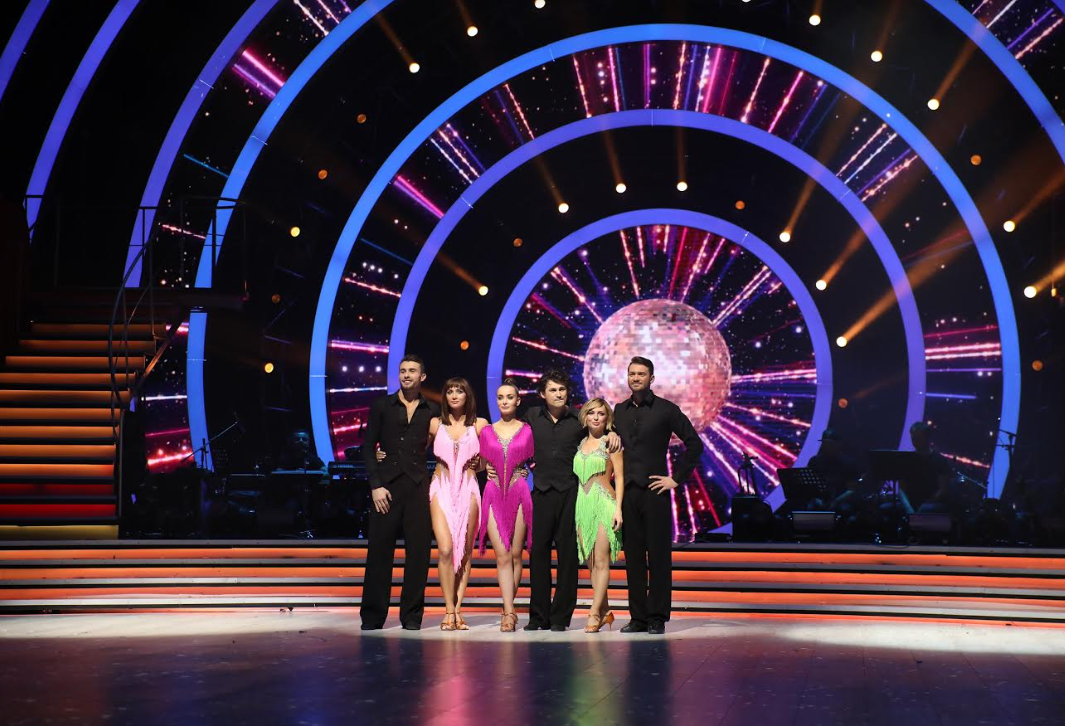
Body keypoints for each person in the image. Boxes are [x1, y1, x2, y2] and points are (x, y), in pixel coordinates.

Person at [515, 370, 620, 633]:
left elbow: (600, 430)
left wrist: (614, 433)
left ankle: (560, 617)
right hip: (540, 492)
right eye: (553, 390)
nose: (558, 394)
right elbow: (513, 440)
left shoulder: (578, 419)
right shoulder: (531, 417)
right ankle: (538, 616)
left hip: (571, 494)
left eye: (562, 389)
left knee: (568, 558)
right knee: (538, 555)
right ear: (542, 394)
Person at [613, 356, 703, 634]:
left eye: (641, 374)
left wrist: (675, 479)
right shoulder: (619, 410)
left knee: (659, 557)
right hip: (628, 493)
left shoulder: (666, 409)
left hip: (655, 492)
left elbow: (694, 444)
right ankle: (638, 618)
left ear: (651, 378)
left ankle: (657, 617)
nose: (636, 378)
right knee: (634, 559)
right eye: (632, 373)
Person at [359, 355, 439, 631]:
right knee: (379, 553)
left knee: (418, 555)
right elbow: (368, 447)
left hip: (418, 487)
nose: (406, 375)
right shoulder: (382, 405)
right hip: (386, 487)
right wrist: (375, 485)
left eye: (412, 371)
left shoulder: (432, 408)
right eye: (403, 370)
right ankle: (373, 616)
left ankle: (412, 616)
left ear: (422, 377)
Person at [424, 378, 487, 631]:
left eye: (459, 391)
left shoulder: (480, 425)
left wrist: (482, 465)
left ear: (467, 395)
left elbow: (491, 458)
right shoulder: (435, 424)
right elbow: (410, 449)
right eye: (449, 391)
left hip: (468, 487)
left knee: (465, 551)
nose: (454, 395)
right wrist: (382, 454)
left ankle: (457, 610)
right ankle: (448, 609)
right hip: (441, 485)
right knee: (446, 549)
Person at [477, 378, 535, 632]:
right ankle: (509, 612)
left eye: (510, 397)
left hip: (519, 491)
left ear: (518, 400)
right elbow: (479, 463)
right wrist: (484, 468)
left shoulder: (528, 430)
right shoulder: (487, 431)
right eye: (501, 397)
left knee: (515, 554)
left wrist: (526, 470)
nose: (505, 401)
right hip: (493, 492)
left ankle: (508, 608)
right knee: (502, 554)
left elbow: (538, 458)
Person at [573, 398, 624, 633]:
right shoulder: (579, 443)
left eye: (601, 414)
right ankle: (605, 611)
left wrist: (618, 509)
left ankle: (594, 612)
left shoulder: (611, 443)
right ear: (584, 417)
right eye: (591, 412)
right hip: (582, 505)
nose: (596, 417)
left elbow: (620, 478)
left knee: (601, 560)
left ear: (607, 418)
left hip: (604, 503)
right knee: (591, 562)